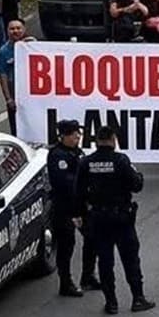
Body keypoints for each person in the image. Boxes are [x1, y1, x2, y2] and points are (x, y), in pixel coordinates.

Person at [79, 125, 154, 314]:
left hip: (99, 218)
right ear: (113, 140)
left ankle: (111, 303)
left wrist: (83, 215)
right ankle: (138, 298)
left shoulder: (86, 162)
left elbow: (78, 191)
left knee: (105, 262)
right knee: (130, 260)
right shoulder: (121, 160)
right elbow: (136, 185)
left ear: (97, 141)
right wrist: (138, 175)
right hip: (121, 218)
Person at [47, 119, 95, 297]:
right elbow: (64, 183)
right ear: (63, 136)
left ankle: (88, 276)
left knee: (92, 238)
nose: (78, 137)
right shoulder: (57, 155)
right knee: (66, 245)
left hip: (81, 205)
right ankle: (65, 283)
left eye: (78, 133)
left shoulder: (77, 152)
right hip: (64, 207)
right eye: (74, 134)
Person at [0, 19, 28, 125]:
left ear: (24, 30)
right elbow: (2, 75)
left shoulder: (33, 46)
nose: (15, 31)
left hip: (30, 93)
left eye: (18, 28)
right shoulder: (3, 52)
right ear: (7, 31)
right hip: (14, 92)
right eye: (12, 29)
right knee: (15, 125)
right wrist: (8, 98)